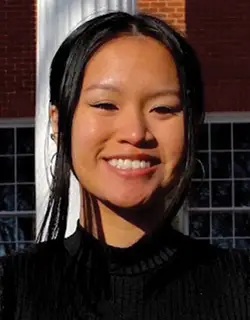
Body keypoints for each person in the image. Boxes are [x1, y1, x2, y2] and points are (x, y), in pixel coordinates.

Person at [0, 11, 249, 320]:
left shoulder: (240, 287)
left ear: (192, 125)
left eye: (163, 108)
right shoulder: (10, 289)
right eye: (105, 105)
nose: (135, 133)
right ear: (59, 122)